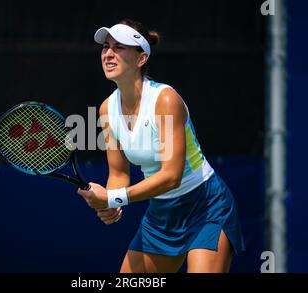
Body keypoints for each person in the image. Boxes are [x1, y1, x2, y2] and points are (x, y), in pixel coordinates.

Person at [77, 19, 245, 273]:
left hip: (206, 208)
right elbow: (119, 173)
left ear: (141, 58)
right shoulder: (106, 110)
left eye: (119, 47)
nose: (108, 54)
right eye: (106, 47)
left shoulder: (165, 100)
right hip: (161, 214)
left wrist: (114, 196)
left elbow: (171, 177)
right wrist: (112, 205)